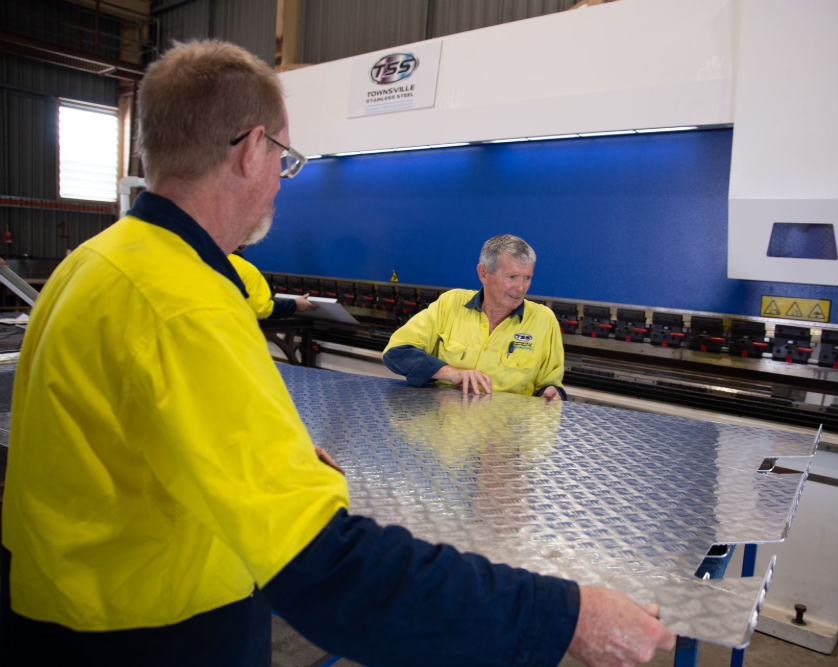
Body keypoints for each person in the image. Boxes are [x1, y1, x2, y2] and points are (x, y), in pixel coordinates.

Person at [0, 40, 674, 667]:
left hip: (63, 608)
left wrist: (281, 460)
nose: (281, 182)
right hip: (151, 629)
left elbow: (138, 446)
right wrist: (564, 615)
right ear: (251, 149)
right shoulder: (185, 303)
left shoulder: (93, 263)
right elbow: (329, 570)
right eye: (286, 161)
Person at [383, 235, 566, 400]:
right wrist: (451, 373)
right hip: (446, 426)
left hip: (507, 432)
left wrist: (552, 393)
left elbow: (550, 384)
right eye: (512, 277)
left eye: (527, 278)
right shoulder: (451, 304)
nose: (521, 287)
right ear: (484, 273)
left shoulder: (544, 321)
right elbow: (396, 352)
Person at [229, 244, 316, 319]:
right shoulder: (246, 270)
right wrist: (294, 305)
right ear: (244, 245)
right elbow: (261, 309)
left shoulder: (217, 262)